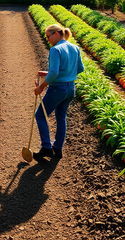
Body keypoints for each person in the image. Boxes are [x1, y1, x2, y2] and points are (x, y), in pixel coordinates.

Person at [33, 24, 84, 160]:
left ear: (56, 33)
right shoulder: (75, 48)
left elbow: (55, 72)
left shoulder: (55, 50)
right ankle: (58, 149)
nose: (47, 39)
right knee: (61, 117)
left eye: (48, 36)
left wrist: (41, 87)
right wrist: (50, 74)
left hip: (57, 89)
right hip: (70, 89)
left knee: (40, 116)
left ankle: (46, 148)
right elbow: (80, 68)